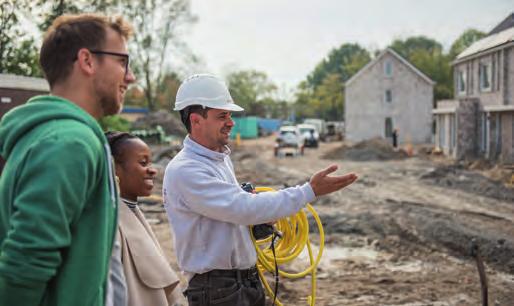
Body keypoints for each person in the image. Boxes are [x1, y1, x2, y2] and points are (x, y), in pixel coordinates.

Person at [163, 74, 358, 306]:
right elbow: (242, 208)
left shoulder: (219, 159)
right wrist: (309, 191)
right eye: (222, 116)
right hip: (217, 291)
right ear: (196, 121)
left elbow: (236, 212)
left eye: (230, 115)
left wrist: (257, 220)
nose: (231, 122)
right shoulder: (186, 170)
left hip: (242, 283)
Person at [0, 13, 135, 306]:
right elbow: (27, 262)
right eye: (122, 61)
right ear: (87, 61)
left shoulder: (56, 136)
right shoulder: (70, 142)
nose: (130, 76)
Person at [105, 131, 182, 306]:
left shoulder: (131, 212)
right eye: (143, 162)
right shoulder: (109, 224)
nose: (153, 170)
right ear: (113, 168)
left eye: (151, 162)